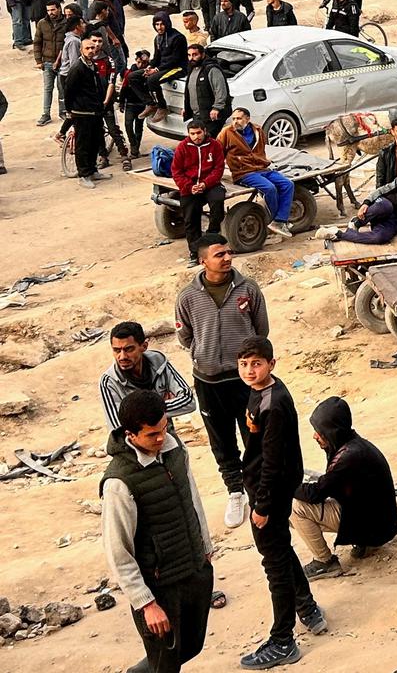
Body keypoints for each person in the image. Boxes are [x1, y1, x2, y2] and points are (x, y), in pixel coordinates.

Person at [102, 390, 215, 673]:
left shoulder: (174, 448)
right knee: (165, 664)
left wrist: (205, 548)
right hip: (159, 588)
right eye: (152, 434)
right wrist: (145, 603)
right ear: (131, 434)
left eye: (164, 428)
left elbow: (193, 497)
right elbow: (118, 550)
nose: (161, 438)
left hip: (193, 571)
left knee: (191, 646)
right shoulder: (119, 483)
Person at [236, 336, 328, 667]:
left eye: (256, 363)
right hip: (266, 486)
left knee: (274, 562)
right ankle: (308, 608)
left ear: (271, 364)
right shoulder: (263, 391)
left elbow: (273, 463)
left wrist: (262, 508)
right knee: (281, 551)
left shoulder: (274, 403)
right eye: (244, 364)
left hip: (269, 492)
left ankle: (283, 639)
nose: (249, 370)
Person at [175, 232, 268, 528]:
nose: (227, 258)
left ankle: (259, 493)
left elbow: (260, 330)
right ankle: (234, 491)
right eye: (219, 254)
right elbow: (185, 336)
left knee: (254, 435)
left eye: (228, 252)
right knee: (221, 441)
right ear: (203, 262)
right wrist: (205, 354)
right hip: (208, 382)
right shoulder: (188, 297)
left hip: (245, 382)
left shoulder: (248, 289)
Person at [291, 396, 397, 579]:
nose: (315, 436)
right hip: (381, 521)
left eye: (320, 431)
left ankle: (325, 562)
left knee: (295, 507)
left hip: (375, 527)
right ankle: (363, 542)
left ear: (332, 431)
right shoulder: (352, 443)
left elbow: (315, 494)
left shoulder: (348, 456)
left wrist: (285, 485)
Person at [100, 321, 197, 432]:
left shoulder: (159, 363)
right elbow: (118, 430)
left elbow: (189, 401)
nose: (122, 356)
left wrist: (134, 414)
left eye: (129, 349)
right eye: (116, 350)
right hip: (134, 446)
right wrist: (160, 406)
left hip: (166, 434)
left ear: (144, 346)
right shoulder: (109, 382)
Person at [217, 109, 295, 237]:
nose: (235, 121)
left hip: (262, 168)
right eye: (234, 119)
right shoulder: (226, 132)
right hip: (243, 172)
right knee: (270, 188)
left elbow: (261, 150)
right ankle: (278, 221)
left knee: (288, 184)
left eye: (239, 118)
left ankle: (279, 220)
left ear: (247, 119)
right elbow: (218, 153)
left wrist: (264, 161)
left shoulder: (258, 130)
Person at [172, 120, 228, 265]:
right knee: (190, 217)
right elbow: (176, 171)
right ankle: (194, 251)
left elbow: (218, 168)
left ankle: (211, 237)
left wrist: (205, 184)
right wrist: (189, 186)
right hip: (189, 187)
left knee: (217, 203)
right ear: (188, 134)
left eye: (198, 133)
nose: (196, 136)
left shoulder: (214, 145)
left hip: (210, 184)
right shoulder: (182, 147)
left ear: (204, 131)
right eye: (192, 134)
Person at [65, 33, 110, 188]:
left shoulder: (93, 65)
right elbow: (68, 90)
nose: (91, 50)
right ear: (81, 50)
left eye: (93, 47)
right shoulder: (77, 68)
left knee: (95, 142)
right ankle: (84, 174)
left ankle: (92, 170)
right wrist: (70, 110)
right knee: (83, 145)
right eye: (88, 48)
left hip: (95, 112)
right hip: (81, 113)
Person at [182, 44, 231, 138]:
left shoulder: (212, 69)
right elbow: (191, 90)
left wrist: (217, 108)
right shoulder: (192, 69)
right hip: (197, 115)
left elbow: (220, 90)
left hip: (211, 116)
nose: (191, 58)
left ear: (203, 54)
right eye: (189, 55)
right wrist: (187, 107)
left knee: (210, 141)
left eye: (195, 55)